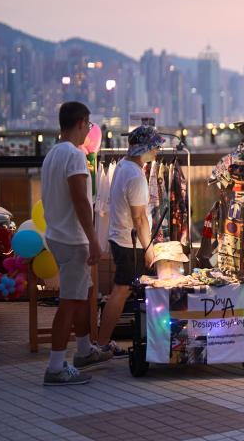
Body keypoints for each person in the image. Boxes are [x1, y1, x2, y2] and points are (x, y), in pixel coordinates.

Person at [41, 102, 114, 386]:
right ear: (82, 122)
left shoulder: (52, 155)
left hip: (57, 235)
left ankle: (84, 351)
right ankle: (56, 367)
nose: (89, 130)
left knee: (83, 294)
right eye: (90, 125)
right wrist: (94, 240)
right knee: (70, 302)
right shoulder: (74, 156)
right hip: (72, 240)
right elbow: (81, 201)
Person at [95, 125, 164, 357]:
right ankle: (102, 343)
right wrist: (149, 248)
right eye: (154, 147)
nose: (157, 151)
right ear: (143, 148)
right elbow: (139, 219)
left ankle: (103, 342)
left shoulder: (124, 166)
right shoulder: (136, 176)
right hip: (129, 243)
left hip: (120, 238)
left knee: (122, 291)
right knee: (121, 291)